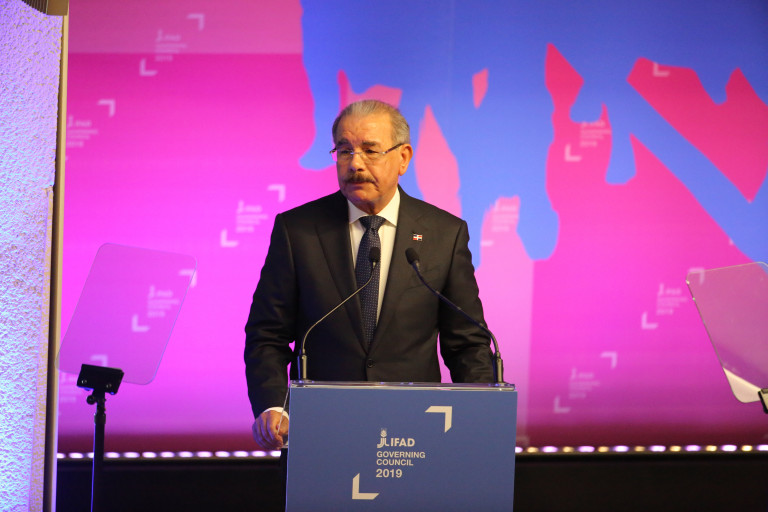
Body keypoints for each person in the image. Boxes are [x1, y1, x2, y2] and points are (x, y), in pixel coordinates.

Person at [245, 100, 494, 450]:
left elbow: (467, 344)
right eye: (344, 151)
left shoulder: (444, 234)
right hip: (321, 432)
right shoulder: (297, 230)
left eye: (370, 150)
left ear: (403, 157)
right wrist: (274, 404)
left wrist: (480, 416)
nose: (355, 164)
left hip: (414, 434)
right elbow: (267, 334)